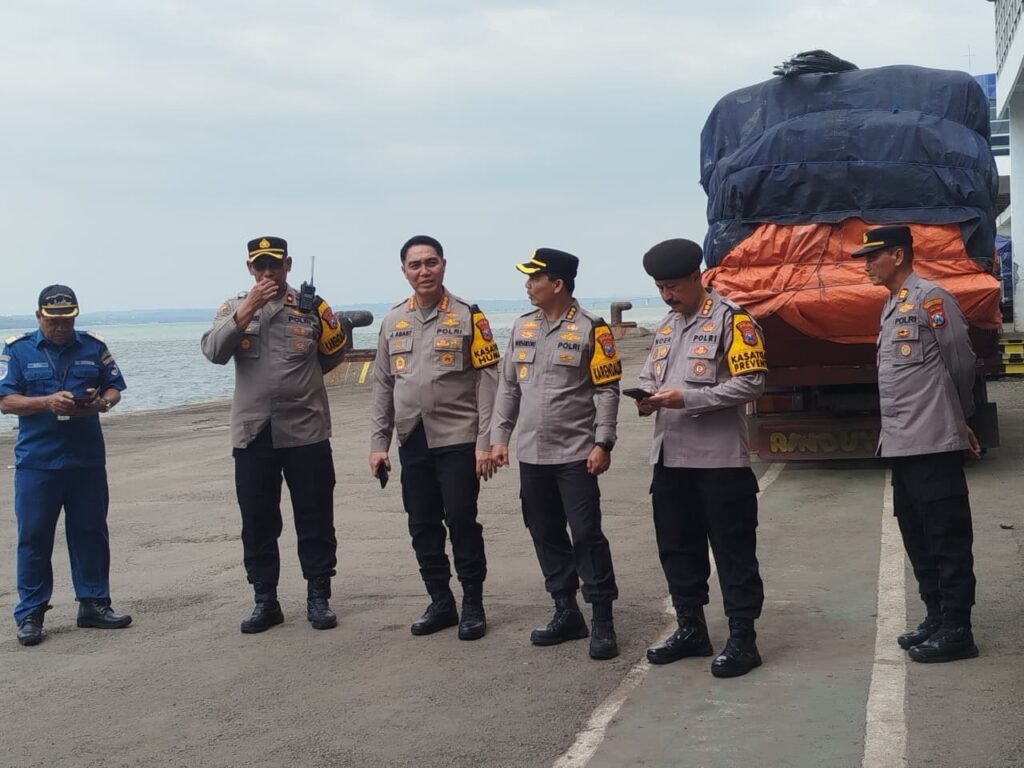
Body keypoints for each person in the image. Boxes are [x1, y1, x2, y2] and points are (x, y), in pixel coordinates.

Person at [635, 238, 767, 678]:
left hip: (719, 462)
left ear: (698, 277)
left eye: (673, 286)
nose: (667, 295)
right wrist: (648, 398)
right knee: (677, 548)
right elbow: (649, 376)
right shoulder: (666, 326)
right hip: (670, 458)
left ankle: (743, 638)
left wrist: (688, 398)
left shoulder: (733, 320)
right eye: (660, 288)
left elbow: (752, 382)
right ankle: (691, 628)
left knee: (733, 552)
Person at [201, 236, 347, 634]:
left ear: (288, 265)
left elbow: (333, 354)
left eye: (275, 265)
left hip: (306, 429)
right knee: (258, 521)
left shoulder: (313, 307)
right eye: (260, 266)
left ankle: (318, 596)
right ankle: (265, 600)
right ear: (250, 268)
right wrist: (248, 308)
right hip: (253, 433)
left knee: (316, 516)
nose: (268, 272)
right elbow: (213, 352)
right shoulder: (233, 308)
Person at [853, 225, 980, 663]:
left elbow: (961, 363)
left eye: (873, 257)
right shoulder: (893, 305)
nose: (866, 266)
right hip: (902, 443)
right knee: (916, 533)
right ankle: (936, 615)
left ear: (899, 256)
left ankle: (958, 630)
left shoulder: (932, 299)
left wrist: (959, 418)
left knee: (947, 537)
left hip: (933, 441)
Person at [491, 248, 622, 660]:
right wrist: (499, 437)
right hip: (532, 454)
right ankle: (566, 611)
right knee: (544, 532)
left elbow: (606, 390)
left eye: (535, 279)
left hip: (576, 454)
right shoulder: (522, 326)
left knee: (586, 534)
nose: (528, 286)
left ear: (558, 284)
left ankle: (602, 617)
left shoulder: (592, 329)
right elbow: (508, 387)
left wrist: (603, 442)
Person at [369, 235, 500, 640]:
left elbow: (488, 381)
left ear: (443, 264)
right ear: (404, 271)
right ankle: (441, 601)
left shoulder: (469, 316)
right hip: (413, 436)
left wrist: (485, 442)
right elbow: (383, 384)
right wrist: (378, 445)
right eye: (415, 265)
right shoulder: (393, 320)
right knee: (422, 522)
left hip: (458, 436)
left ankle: (473, 603)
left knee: (460, 518)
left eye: (431, 262)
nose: (423, 271)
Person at [0, 285, 130, 647]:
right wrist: (47, 402)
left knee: (91, 532)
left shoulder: (93, 346)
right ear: (38, 316)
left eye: (67, 321)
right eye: (53, 321)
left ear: (76, 316)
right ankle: (30, 614)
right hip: (38, 462)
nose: (60, 327)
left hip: (86, 459)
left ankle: (94, 604)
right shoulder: (18, 350)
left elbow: (114, 388)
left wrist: (102, 403)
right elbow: (6, 401)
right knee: (34, 537)